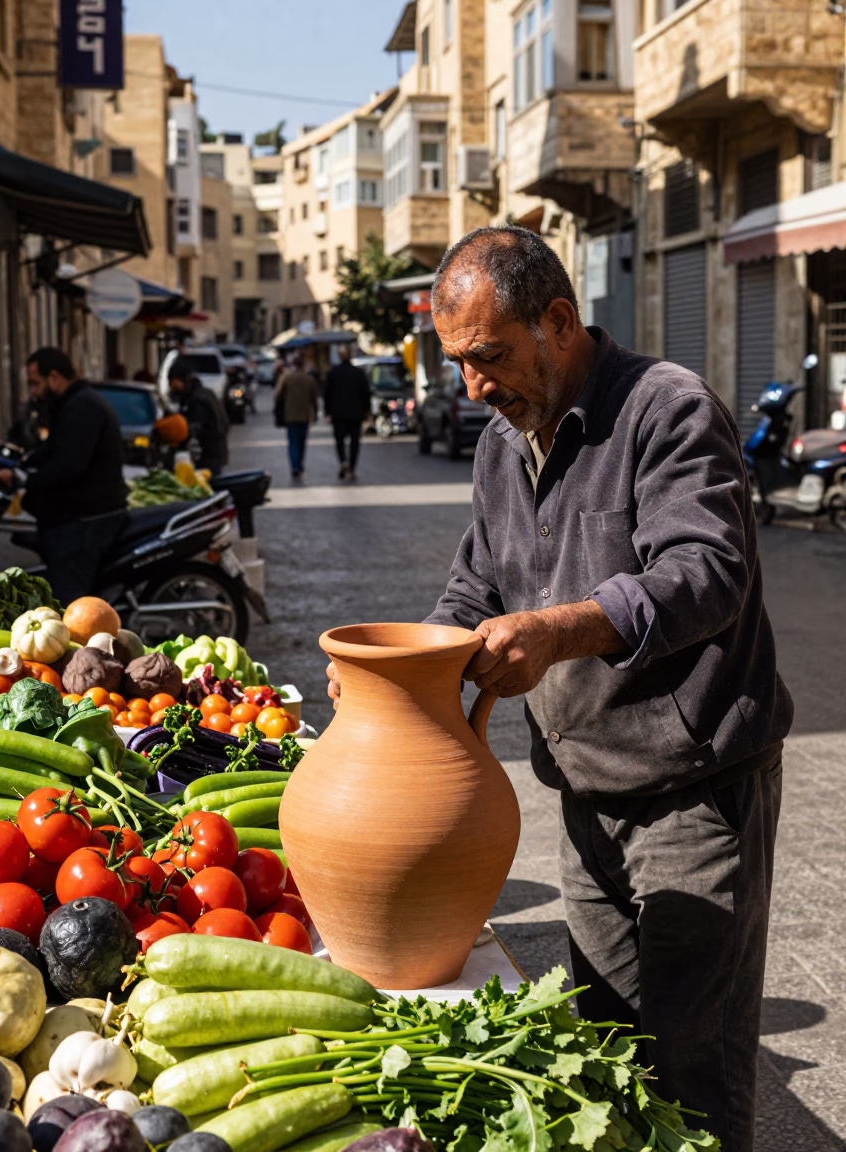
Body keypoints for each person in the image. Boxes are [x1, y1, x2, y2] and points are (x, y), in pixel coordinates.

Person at [329, 226, 792, 1152]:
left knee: (691, 1067)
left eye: (489, 357)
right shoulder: (504, 441)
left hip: (694, 796)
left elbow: (707, 570)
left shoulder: (667, 410)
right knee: (608, 1054)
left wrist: (559, 629)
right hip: (585, 795)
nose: (474, 387)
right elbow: (476, 589)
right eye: (457, 363)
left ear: (558, 321)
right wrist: (399, 679)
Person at [0, 347, 127, 603]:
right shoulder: (74, 403)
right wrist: (20, 467)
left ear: (55, 377)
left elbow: (68, 465)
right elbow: (51, 449)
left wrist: (25, 479)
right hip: (74, 519)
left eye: (35, 384)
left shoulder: (82, 406)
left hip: (83, 523)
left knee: (66, 602)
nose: (34, 392)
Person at [167, 358, 229, 476]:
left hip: (208, 455)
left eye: (172, 382)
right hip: (216, 453)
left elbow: (196, 427)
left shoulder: (197, 400)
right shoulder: (206, 393)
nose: (171, 386)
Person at [324, 344, 371, 480]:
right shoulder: (358, 373)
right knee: (355, 442)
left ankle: (343, 461)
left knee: (339, 441)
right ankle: (352, 466)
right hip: (355, 415)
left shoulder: (333, 373)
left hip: (338, 415)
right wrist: (366, 411)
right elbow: (366, 393)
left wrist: (328, 412)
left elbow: (327, 394)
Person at [275, 354, 319, 480]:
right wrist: (315, 413)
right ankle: (299, 465)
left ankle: (294, 466)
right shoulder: (309, 379)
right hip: (304, 416)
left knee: (293, 443)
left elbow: (278, 395)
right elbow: (314, 400)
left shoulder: (288, 378)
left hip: (290, 415)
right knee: (301, 443)